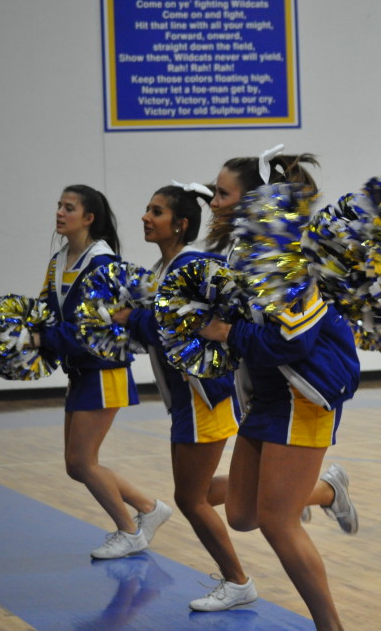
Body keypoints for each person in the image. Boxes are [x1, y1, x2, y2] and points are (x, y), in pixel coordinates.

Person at [198, 150, 361, 631]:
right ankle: (328, 491)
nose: (214, 199)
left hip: (301, 396)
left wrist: (227, 334)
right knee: (244, 515)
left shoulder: (286, 255)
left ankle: (331, 626)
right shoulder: (241, 252)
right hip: (267, 394)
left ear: (253, 202)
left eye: (223, 193)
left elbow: (294, 341)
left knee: (276, 521)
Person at [111, 182, 256, 611]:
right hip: (188, 398)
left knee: (189, 499)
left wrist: (133, 318)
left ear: (181, 224)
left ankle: (238, 581)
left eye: (156, 211)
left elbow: (173, 327)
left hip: (200, 397)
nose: (146, 217)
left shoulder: (190, 266)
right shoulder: (164, 269)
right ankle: (300, 492)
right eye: (147, 209)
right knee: (197, 492)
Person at [34, 184, 170, 560]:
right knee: (76, 466)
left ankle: (129, 531)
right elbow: (48, 312)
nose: (60, 213)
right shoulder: (59, 260)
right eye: (59, 205)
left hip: (104, 371)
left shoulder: (103, 264)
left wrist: (34, 338)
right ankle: (149, 507)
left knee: (81, 462)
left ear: (89, 218)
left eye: (69, 207)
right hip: (79, 372)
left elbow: (86, 330)